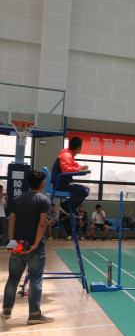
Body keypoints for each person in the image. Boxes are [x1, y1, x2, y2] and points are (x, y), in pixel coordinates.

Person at [1, 170, 53, 324]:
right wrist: (35, 244)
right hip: (35, 248)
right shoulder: (44, 200)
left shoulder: (17, 199)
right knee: (36, 280)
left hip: (18, 246)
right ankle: (34, 315)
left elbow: (12, 222)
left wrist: (12, 241)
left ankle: (6, 311)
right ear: (43, 183)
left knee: (13, 279)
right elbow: (42, 224)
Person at [50, 136, 90, 213]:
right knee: (84, 191)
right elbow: (66, 170)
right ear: (79, 148)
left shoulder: (69, 155)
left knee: (86, 189)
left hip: (64, 183)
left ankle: (70, 207)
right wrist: (79, 169)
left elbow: (76, 165)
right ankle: (65, 206)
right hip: (60, 185)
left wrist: (83, 168)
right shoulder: (66, 155)